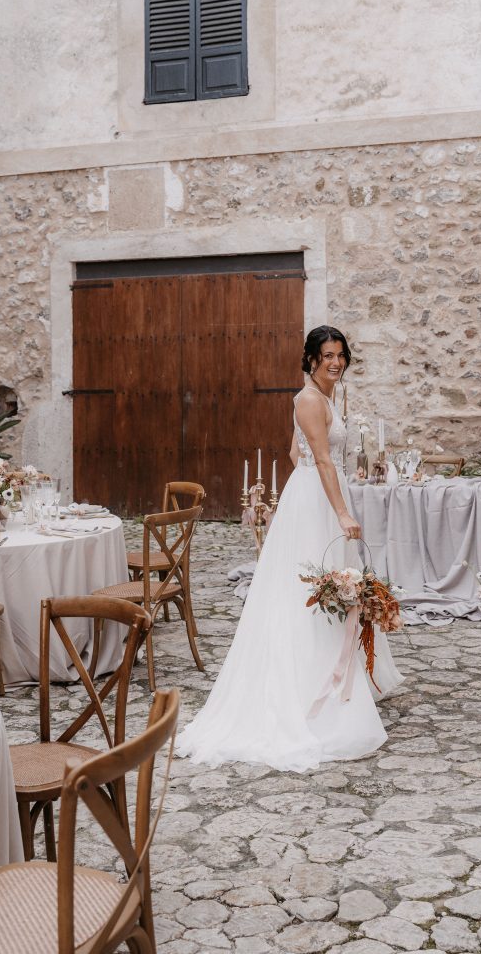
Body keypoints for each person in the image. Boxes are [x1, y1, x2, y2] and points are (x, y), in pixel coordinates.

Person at [176, 325, 404, 772]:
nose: (336, 363)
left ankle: (336, 676)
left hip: (316, 494)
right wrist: (338, 510)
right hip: (318, 501)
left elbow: (293, 452)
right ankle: (309, 687)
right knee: (312, 591)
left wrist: (325, 486)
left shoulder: (324, 398)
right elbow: (317, 459)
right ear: (312, 359)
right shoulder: (307, 399)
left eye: (341, 355)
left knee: (332, 586)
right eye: (327, 356)